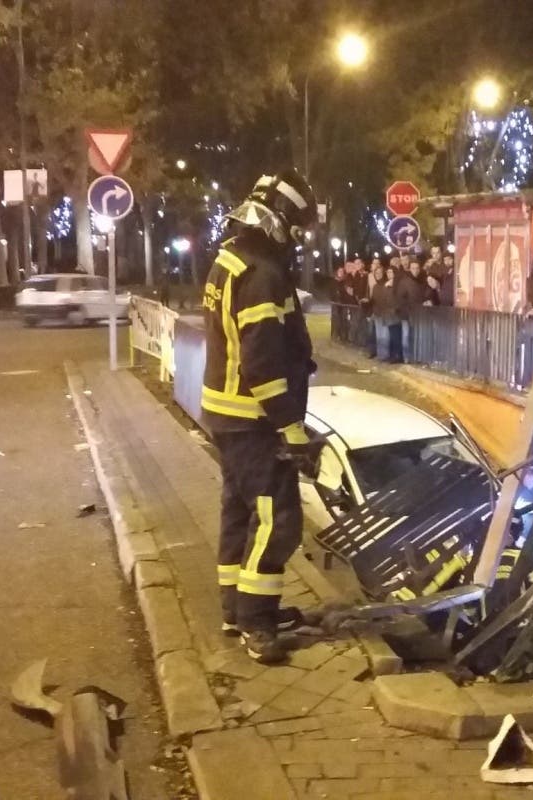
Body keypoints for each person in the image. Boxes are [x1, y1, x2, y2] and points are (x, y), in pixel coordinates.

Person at [201, 169, 319, 664]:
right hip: (253, 421)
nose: (296, 239)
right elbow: (263, 365)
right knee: (278, 520)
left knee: (239, 513)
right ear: (283, 220)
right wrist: (291, 429)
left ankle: (237, 607)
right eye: (296, 227)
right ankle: (256, 622)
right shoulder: (263, 275)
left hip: (228, 417)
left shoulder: (230, 259)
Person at [397, 257, 427, 362]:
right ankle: (406, 357)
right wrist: (407, 312)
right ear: (410, 269)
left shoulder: (421, 282)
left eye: (417, 268)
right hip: (407, 315)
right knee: (406, 335)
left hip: (417, 314)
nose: (415, 270)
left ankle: (415, 356)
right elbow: (400, 299)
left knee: (415, 336)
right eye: (413, 268)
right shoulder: (404, 282)